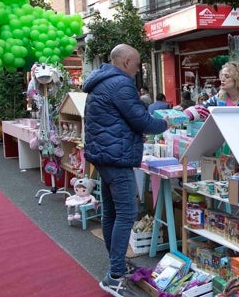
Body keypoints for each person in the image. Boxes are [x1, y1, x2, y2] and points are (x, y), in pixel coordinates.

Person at [83, 43, 169, 296]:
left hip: (104, 155)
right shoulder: (121, 85)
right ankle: (114, 275)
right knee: (127, 212)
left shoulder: (102, 81)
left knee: (111, 212)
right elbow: (141, 121)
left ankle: (116, 264)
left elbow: (118, 120)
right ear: (126, 61)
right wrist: (167, 121)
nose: (140, 67)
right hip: (116, 157)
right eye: (138, 62)